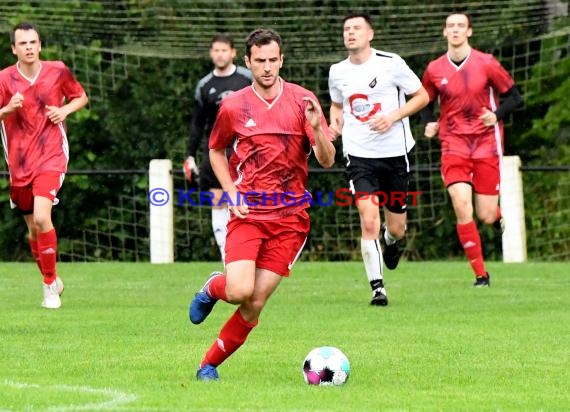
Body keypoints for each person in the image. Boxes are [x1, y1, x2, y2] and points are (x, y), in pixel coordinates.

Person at [188, 28, 335, 381]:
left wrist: (317, 129)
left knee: (254, 303)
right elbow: (215, 150)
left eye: (273, 60)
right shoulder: (234, 105)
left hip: (291, 219)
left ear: (281, 60)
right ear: (248, 62)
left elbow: (327, 160)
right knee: (239, 290)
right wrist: (231, 191)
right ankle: (213, 287)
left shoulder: (304, 101)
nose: (268, 67)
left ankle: (207, 365)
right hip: (249, 213)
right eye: (261, 61)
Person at [328, 12, 429, 306]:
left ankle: (390, 241)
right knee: (368, 219)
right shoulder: (337, 71)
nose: (351, 33)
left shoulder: (391, 63)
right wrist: (335, 125)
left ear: (370, 34)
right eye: (346, 28)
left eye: (357, 28)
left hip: (396, 155)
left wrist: (393, 117)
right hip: (359, 156)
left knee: (396, 227)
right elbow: (337, 105)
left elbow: (422, 96)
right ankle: (378, 288)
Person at [421, 12, 522, 287]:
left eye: (460, 26)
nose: (455, 30)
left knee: (485, 215)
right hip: (453, 144)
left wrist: (496, 114)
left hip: (486, 144)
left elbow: (515, 97)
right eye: (450, 26)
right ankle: (481, 275)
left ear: (469, 31)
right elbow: (424, 102)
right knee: (461, 204)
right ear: (444, 33)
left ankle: (497, 215)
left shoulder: (486, 63)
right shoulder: (434, 69)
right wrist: (429, 122)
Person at [0, 22, 88, 309]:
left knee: (41, 217)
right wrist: (7, 109)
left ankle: (49, 285)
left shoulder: (57, 71)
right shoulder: (3, 79)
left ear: (40, 45)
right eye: (23, 43)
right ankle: (53, 278)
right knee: (33, 229)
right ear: (14, 48)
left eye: (33, 42)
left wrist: (64, 110)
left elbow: (81, 97)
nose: (29, 47)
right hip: (19, 161)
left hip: (51, 155)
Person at [183, 33, 252, 262]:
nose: (220, 54)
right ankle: (227, 256)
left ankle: (247, 253)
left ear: (233, 53)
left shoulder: (247, 78)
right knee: (218, 201)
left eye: (224, 50)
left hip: (245, 149)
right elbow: (197, 123)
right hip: (216, 152)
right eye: (216, 50)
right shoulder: (205, 85)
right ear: (211, 54)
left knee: (245, 202)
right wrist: (189, 155)